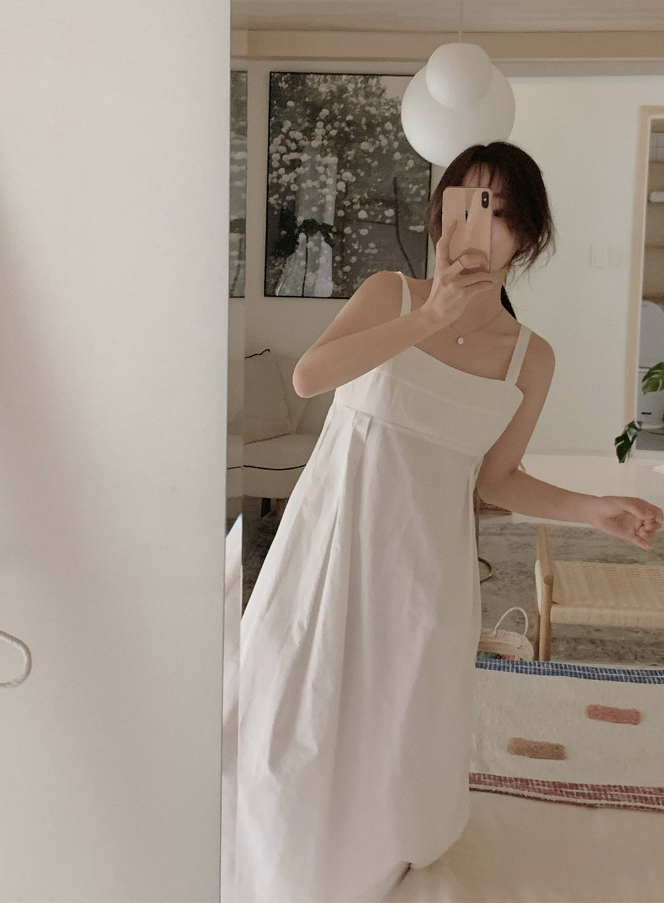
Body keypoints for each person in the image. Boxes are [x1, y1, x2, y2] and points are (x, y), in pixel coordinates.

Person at [231, 141, 663, 903]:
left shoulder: (529, 358)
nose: (479, 225)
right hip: (331, 546)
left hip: (426, 561)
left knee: (399, 709)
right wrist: (431, 315)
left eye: (500, 211)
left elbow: (497, 479)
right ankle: (284, 844)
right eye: (466, 203)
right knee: (297, 702)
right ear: (440, 216)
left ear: (528, 234)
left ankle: (375, 841)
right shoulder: (390, 295)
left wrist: (594, 509)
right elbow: (309, 376)